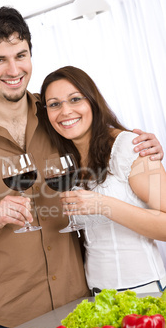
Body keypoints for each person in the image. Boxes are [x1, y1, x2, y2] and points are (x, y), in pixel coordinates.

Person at [0, 7, 164, 328]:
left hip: (80, 300)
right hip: (7, 315)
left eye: (21, 55)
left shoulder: (58, 116)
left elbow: (105, 144)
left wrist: (143, 145)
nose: (13, 69)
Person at [40, 65, 166, 295]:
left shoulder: (132, 146)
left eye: (75, 99)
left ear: (92, 101)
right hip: (97, 294)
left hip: (144, 290)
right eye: (54, 104)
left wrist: (102, 204)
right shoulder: (67, 162)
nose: (65, 111)